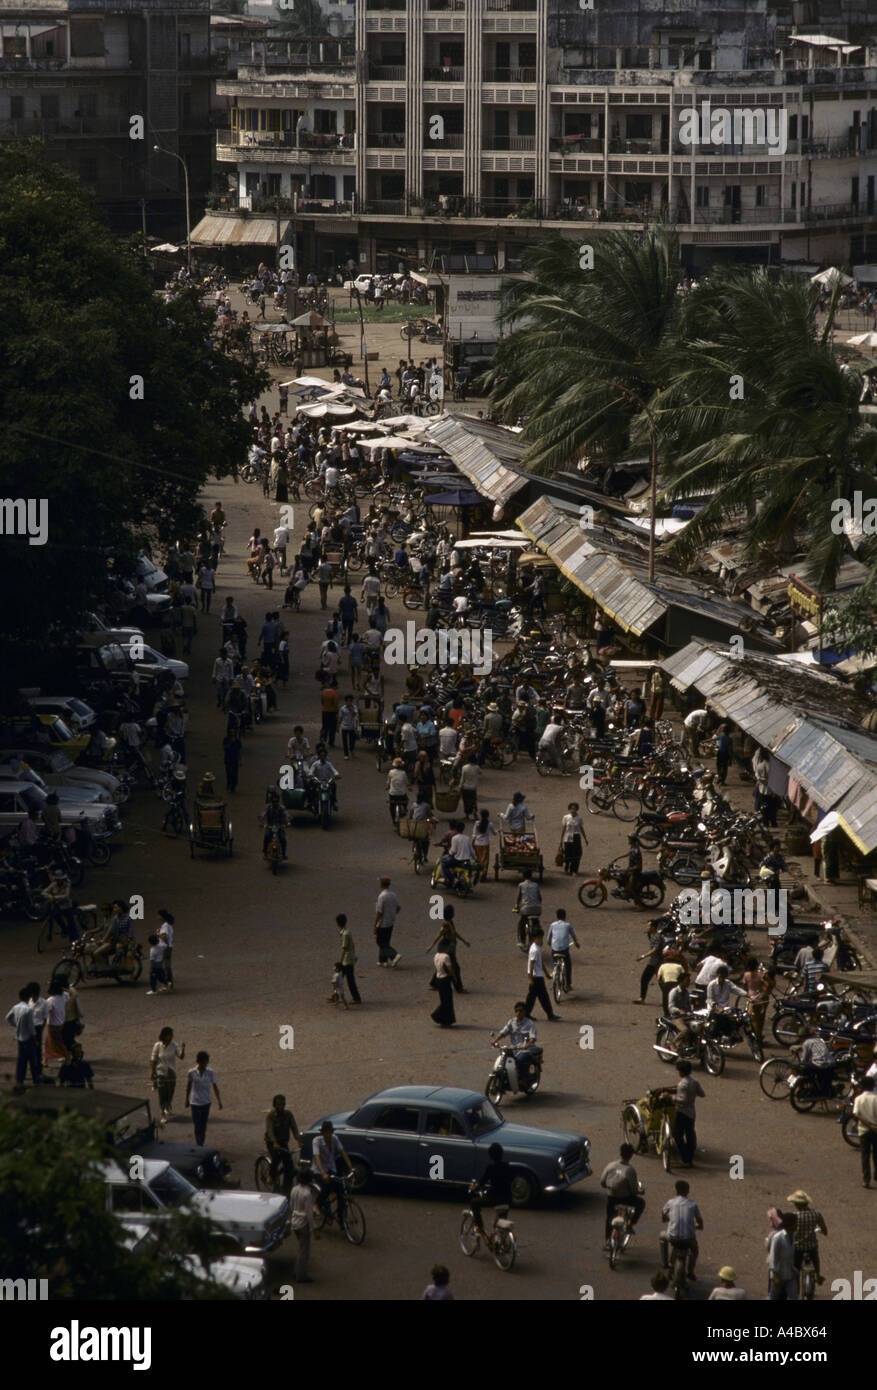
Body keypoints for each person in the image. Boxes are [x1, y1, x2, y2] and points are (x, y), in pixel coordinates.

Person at [600, 1142, 645, 1245]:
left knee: (609, 1218)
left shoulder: (610, 1165)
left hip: (611, 1197)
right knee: (641, 1203)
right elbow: (634, 1190)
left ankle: (607, 1240)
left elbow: (602, 1182)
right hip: (625, 1198)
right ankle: (630, 1223)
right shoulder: (630, 1170)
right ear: (631, 1156)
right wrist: (640, 1191)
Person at [660, 1178, 703, 1279]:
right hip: (688, 1239)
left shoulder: (670, 1202)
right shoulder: (692, 1204)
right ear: (687, 1191)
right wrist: (698, 1226)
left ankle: (665, 1262)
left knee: (662, 1237)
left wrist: (667, 1219)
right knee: (694, 1250)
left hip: (672, 1237)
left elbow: (663, 1214)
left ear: (676, 1190)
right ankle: (690, 1271)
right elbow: (699, 1221)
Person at [490, 1001, 540, 1086]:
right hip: (513, 1049)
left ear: (525, 1012)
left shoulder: (529, 1023)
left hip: (525, 1050)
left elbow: (533, 1038)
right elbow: (503, 1032)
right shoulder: (511, 1022)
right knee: (503, 1059)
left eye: (520, 1011)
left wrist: (527, 1045)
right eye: (516, 1011)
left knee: (520, 1060)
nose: (518, 1013)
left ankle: (523, 1079)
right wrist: (495, 1040)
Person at [470, 1142, 513, 1235]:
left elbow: (482, 1182)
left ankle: (480, 1227)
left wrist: (474, 1188)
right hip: (507, 1198)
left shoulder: (491, 1168)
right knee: (502, 1220)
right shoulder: (507, 1166)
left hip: (495, 1198)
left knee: (474, 1203)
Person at [312, 1119, 353, 1217]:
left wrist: (351, 1168)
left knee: (341, 1190)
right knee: (327, 1187)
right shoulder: (316, 1141)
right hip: (319, 1170)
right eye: (326, 1132)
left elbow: (343, 1152)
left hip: (331, 1169)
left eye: (330, 1132)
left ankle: (341, 1216)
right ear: (322, 1133)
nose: (328, 1135)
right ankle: (317, 1205)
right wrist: (323, 1173)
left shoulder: (334, 1138)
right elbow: (317, 1158)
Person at [786, 1190, 827, 1284]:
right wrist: (823, 1232)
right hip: (811, 1246)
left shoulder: (795, 1216)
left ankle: (795, 1285)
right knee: (816, 1259)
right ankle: (817, 1275)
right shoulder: (816, 1214)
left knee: (795, 1268)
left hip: (798, 1247)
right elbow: (824, 1229)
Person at [265, 1094, 302, 1195]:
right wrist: (275, 1142)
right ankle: (271, 1175)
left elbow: (294, 1128)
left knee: (289, 1166)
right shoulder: (271, 1116)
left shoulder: (288, 1114)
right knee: (276, 1157)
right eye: (278, 1104)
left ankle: (286, 1189)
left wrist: (299, 1140)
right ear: (274, 1105)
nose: (280, 1107)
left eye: (282, 1104)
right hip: (272, 1142)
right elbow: (270, 1131)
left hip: (283, 1142)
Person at [185, 1051, 223, 1146]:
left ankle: (200, 1143)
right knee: (197, 1125)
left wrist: (219, 1101)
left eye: (206, 1062)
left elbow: (215, 1087)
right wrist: (187, 1099)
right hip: (195, 1102)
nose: (205, 1064)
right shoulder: (192, 1073)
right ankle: (199, 1143)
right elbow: (188, 1086)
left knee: (203, 1124)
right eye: (204, 1062)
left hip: (206, 1102)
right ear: (199, 1062)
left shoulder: (211, 1073)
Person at [6, 986, 41, 1090]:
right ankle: (36, 1080)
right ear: (28, 997)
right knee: (33, 1060)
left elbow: (8, 1018)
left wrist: (16, 1024)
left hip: (19, 1038)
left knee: (21, 1060)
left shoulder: (15, 1007)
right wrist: (36, 1038)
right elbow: (31, 1027)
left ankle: (19, 1079)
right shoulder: (28, 1009)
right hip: (28, 1038)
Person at [674, 1059, 705, 1167]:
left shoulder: (683, 1084)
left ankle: (685, 1158)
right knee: (690, 1134)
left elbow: (682, 1100)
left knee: (677, 1135)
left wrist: (671, 1097)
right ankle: (690, 1158)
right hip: (691, 1112)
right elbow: (702, 1094)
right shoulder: (694, 1082)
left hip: (682, 1112)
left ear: (681, 1072)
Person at [150, 1026, 185, 1122]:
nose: (171, 1037)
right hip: (161, 1072)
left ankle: (168, 1105)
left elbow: (181, 1056)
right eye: (170, 1035)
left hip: (171, 1072)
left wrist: (183, 1049)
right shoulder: (157, 1045)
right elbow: (153, 1060)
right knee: (162, 1092)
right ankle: (162, 1113)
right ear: (165, 1036)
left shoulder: (174, 1045)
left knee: (170, 1091)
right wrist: (152, 1072)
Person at [525, 927, 560, 1021]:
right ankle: (550, 1015)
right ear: (534, 938)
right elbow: (531, 964)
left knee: (533, 997)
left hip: (538, 976)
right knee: (542, 997)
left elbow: (540, 963)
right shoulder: (534, 950)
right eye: (539, 938)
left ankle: (527, 1014)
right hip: (536, 977)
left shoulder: (537, 948)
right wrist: (530, 978)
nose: (541, 940)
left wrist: (547, 974)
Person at [767, 1213, 798, 1301]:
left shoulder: (794, 1235)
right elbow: (772, 1257)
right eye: (795, 1223)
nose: (797, 1225)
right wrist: (775, 1275)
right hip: (778, 1274)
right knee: (773, 1297)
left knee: (793, 1296)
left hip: (790, 1273)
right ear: (790, 1225)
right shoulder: (778, 1238)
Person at [547, 909, 580, 990]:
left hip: (555, 949)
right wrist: (576, 943)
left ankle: (553, 972)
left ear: (557, 916)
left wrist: (549, 943)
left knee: (553, 958)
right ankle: (568, 984)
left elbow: (548, 939)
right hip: (564, 950)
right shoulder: (568, 925)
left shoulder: (552, 925)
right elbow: (574, 936)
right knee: (568, 965)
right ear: (565, 916)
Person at [854, 1074, 877, 1187]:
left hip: (863, 1131)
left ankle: (866, 1179)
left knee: (865, 1156)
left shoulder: (858, 1099)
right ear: (873, 1086)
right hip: (875, 1130)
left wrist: (867, 1125)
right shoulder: (876, 1099)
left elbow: (856, 1114)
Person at [440, 821, 476, 893]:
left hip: (457, 861)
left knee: (444, 864)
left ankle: (453, 880)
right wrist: (476, 859)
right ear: (463, 829)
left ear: (456, 829)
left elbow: (453, 851)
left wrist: (449, 854)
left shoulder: (455, 838)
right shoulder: (467, 838)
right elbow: (472, 851)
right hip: (467, 860)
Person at [374, 876, 401, 967]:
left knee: (380, 942)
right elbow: (398, 907)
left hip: (383, 923)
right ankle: (383, 960)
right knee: (386, 941)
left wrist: (375, 925)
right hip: (391, 921)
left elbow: (379, 912)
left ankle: (394, 955)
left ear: (381, 884)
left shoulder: (382, 896)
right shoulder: (393, 895)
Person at [336, 913, 361, 1004]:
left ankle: (356, 998)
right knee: (341, 978)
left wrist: (340, 961)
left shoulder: (345, 934)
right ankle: (337, 996)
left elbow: (344, 949)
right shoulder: (347, 932)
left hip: (347, 961)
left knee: (346, 980)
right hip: (349, 959)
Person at [514, 868, 542, 950]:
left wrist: (516, 906)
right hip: (537, 909)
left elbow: (518, 898)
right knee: (536, 922)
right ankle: (538, 935)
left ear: (523, 876)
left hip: (526, 909)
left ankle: (522, 941)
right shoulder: (536, 885)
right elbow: (540, 898)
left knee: (521, 923)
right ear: (531, 876)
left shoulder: (521, 885)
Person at [431, 945, 456, 1028]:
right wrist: (454, 978)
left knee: (443, 1000)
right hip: (445, 979)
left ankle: (442, 1019)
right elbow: (450, 969)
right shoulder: (446, 957)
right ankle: (441, 1017)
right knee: (448, 1000)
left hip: (438, 978)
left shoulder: (436, 955)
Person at [558, 802, 587, 876]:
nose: (573, 810)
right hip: (567, 838)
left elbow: (581, 828)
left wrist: (585, 838)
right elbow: (563, 829)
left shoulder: (579, 818)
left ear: (577, 809)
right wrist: (561, 840)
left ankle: (574, 870)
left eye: (574, 809)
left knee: (576, 855)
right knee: (568, 854)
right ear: (569, 809)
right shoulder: (566, 817)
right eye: (571, 808)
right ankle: (567, 866)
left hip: (576, 838)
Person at [261, 788, 288, 859]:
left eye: (276, 801)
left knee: (283, 838)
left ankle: (284, 853)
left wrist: (287, 823)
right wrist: (263, 823)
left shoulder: (282, 808)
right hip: (270, 826)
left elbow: (286, 815)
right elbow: (262, 815)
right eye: (273, 801)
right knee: (267, 836)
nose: (275, 803)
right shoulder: (268, 808)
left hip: (280, 827)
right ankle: (265, 851)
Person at [472, 809, 498, 876]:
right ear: (488, 816)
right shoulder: (490, 824)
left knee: (478, 858)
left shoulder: (477, 823)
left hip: (477, 843)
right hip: (485, 844)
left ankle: (477, 872)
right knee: (484, 860)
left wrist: (473, 842)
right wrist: (499, 831)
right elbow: (495, 833)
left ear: (480, 815)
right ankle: (483, 874)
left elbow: (474, 835)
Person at [339, 694, 359, 760]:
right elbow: (341, 717)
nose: (349, 702)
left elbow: (355, 714)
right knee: (345, 742)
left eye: (350, 701)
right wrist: (338, 725)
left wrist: (351, 709)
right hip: (344, 727)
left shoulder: (354, 707)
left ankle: (352, 749)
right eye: (348, 701)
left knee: (352, 741)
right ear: (346, 701)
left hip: (352, 727)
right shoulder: (342, 708)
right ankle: (346, 754)